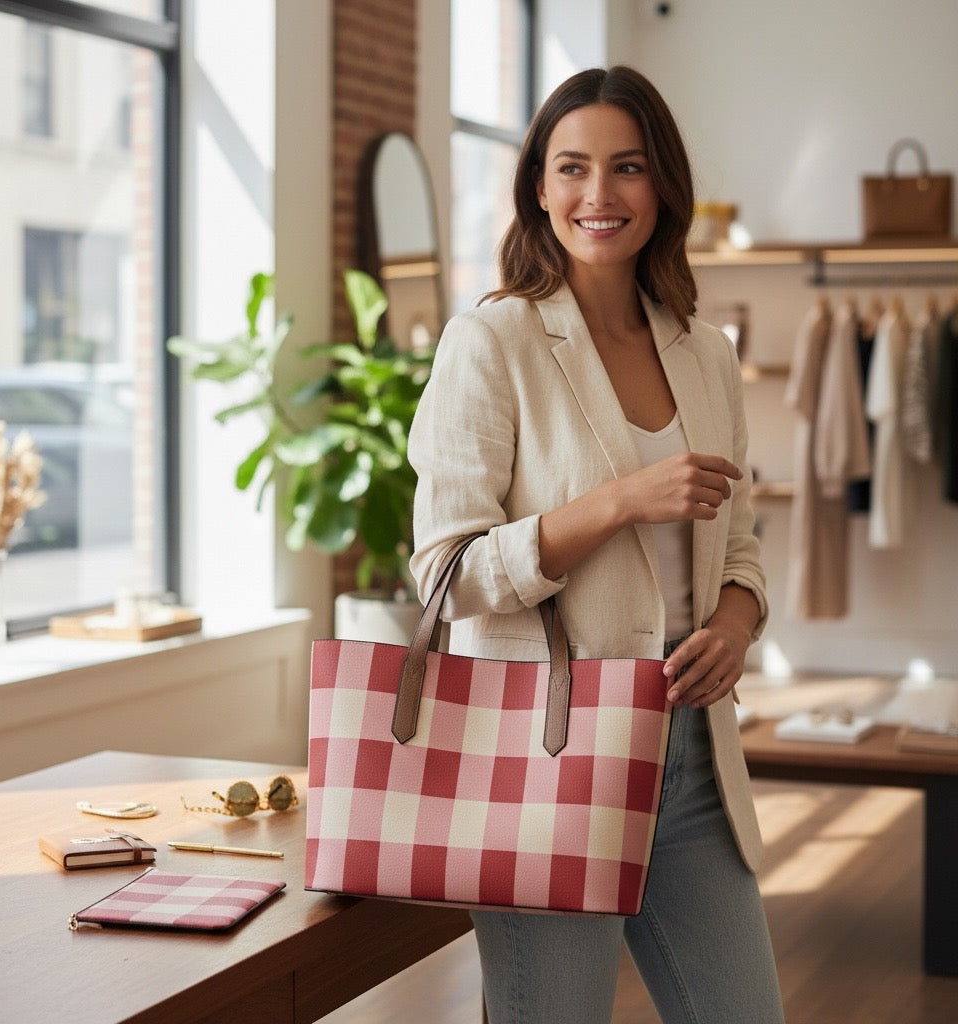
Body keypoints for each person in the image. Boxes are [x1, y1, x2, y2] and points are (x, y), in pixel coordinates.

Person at [408, 66, 786, 1024]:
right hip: (551, 757)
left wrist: (737, 626)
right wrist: (616, 501)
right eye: (571, 168)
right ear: (539, 185)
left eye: (626, 167)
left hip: (694, 755)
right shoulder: (491, 342)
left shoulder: (706, 352)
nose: (599, 195)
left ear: (662, 186)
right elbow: (446, 575)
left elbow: (738, 546)